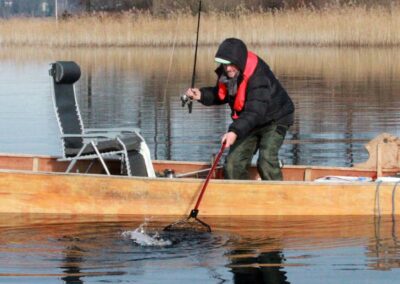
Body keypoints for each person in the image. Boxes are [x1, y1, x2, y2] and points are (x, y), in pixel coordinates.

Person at [185, 38, 294, 180]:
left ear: (240, 62)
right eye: (225, 64)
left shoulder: (258, 76)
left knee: (266, 160)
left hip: (275, 119)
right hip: (248, 122)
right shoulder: (227, 75)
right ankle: (243, 198)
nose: (228, 68)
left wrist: (234, 131)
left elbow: (255, 112)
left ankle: (279, 197)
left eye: (231, 64)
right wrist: (201, 95)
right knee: (232, 165)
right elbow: (221, 95)